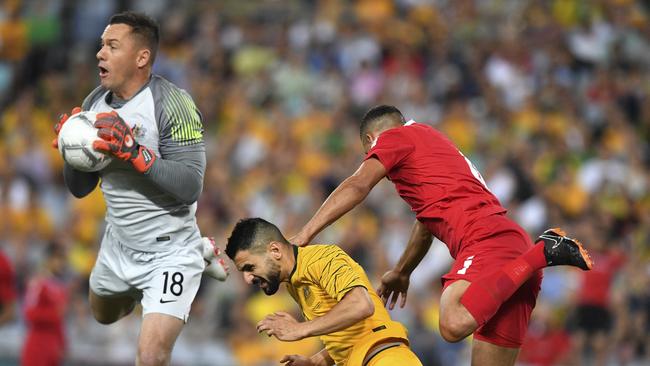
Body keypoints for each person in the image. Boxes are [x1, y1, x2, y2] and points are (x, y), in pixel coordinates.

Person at [290, 105, 594, 365]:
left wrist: (304, 234)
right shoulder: (432, 150)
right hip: (507, 255)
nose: (373, 158)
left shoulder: (396, 138)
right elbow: (426, 225)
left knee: (452, 323)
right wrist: (401, 271)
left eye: (369, 153)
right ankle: (537, 254)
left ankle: (543, 252)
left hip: (486, 242)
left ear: (372, 140)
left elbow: (357, 186)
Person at [51, 11, 228, 366]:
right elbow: (80, 190)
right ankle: (176, 268)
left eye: (112, 46)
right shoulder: (93, 104)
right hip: (119, 244)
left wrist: (134, 152)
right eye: (101, 45)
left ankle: (196, 253)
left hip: (171, 252)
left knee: (150, 355)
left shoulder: (172, 103)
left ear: (141, 57)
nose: (100, 53)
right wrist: (71, 153)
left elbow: (191, 185)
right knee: (102, 314)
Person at [225, 218, 423, 366]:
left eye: (250, 267)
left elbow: (361, 305)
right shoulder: (294, 283)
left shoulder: (322, 258)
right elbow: (348, 336)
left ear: (275, 251)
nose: (247, 279)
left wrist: (300, 329)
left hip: (386, 359)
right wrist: (316, 361)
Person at [21, 243, 69, 366]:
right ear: (48, 259)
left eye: (62, 259)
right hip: (38, 345)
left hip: (53, 348)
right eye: (57, 258)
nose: (60, 262)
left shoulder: (60, 287)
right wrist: (53, 314)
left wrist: (63, 343)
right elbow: (29, 313)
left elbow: (60, 321)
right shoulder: (38, 283)